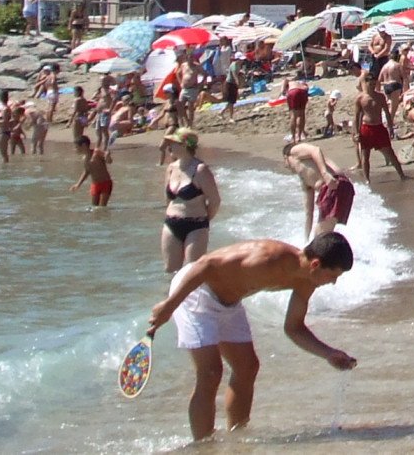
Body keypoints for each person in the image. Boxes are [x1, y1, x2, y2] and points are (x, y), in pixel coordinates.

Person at [146, 234, 357, 441]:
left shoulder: (307, 280)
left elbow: (293, 328)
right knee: (210, 373)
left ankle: (237, 439)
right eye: (333, 275)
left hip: (229, 303)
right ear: (316, 264)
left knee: (247, 367)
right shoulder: (267, 258)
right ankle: (203, 446)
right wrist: (169, 306)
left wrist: (329, 353)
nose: (334, 282)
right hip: (196, 293)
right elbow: (205, 264)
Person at [161, 131, 221, 271]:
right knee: (170, 271)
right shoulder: (171, 168)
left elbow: (215, 201)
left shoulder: (200, 170)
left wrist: (205, 219)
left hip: (196, 225)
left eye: (173, 143)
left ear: (185, 145)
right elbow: (168, 199)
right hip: (171, 224)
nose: (169, 147)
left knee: (192, 271)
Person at [353, 74, 406, 182]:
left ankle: (402, 175)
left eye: (374, 84)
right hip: (366, 128)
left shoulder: (380, 96)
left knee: (390, 153)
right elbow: (356, 117)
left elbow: (387, 113)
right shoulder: (360, 98)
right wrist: (356, 133)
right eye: (370, 84)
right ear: (365, 83)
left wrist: (391, 128)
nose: (372, 86)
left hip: (379, 127)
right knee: (365, 155)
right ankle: (367, 180)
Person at [74, 134, 114, 207]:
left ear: (84, 145)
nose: (75, 149)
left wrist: (108, 156)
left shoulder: (96, 152)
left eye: (76, 147)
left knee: (102, 207)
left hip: (106, 183)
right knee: (94, 207)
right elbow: (87, 171)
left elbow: (109, 161)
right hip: (95, 185)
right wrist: (78, 184)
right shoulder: (84, 158)